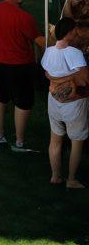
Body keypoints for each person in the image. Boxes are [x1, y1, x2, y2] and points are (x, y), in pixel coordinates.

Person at [0, 0, 44, 152]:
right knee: (23, 102)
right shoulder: (24, 17)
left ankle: (0, 135)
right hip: (22, 66)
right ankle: (19, 142)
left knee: (1, 96)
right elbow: (40, 42)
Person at [41, 17, 88, 188]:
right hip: (74, 106)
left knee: (55, 139)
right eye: (75, 30)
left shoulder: (49, 51)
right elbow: (84, 81)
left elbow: (48, 74)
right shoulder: (75, 54)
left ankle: (55, 176)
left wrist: (58, 78)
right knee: (76, 142)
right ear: (69, 33)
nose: (77, 32)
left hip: (54, 103)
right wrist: (75, 76)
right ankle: (72, 179)